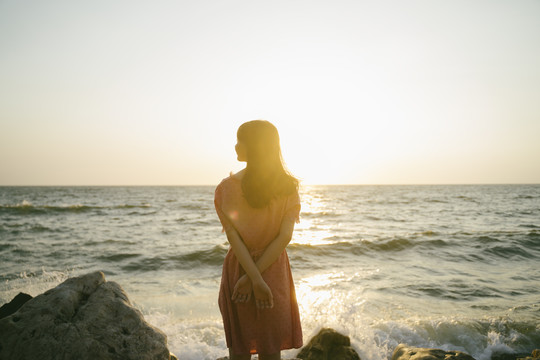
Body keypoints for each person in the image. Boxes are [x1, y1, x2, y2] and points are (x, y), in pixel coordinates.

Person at [214, 120, 303, 360]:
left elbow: (234, 238)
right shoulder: (288, 187)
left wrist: (249, 277)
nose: (235, 146)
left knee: (239, 351)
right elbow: (284, 237)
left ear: (254, 146)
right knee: (271, 350)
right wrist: (260, 279)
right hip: (273, 271)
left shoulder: (225, 189)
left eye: (240, 140)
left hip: (239, 270)